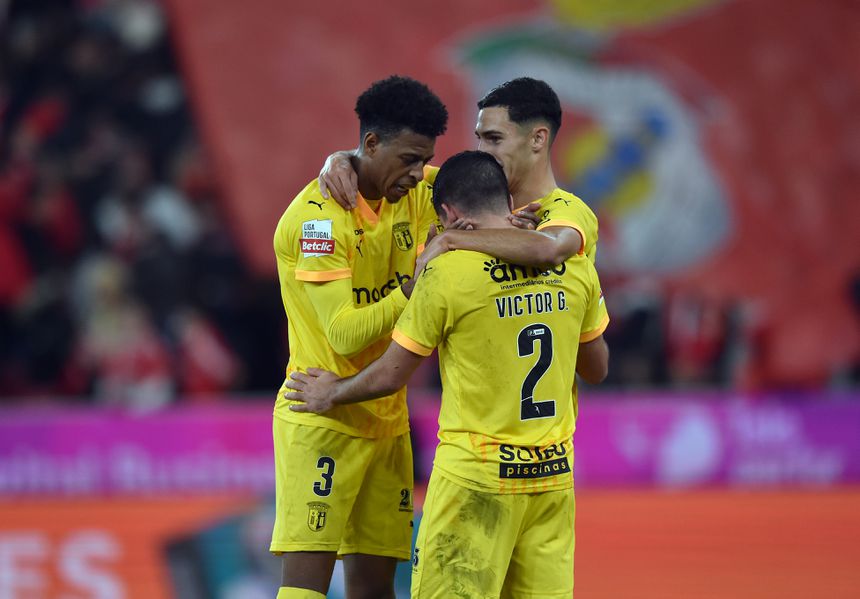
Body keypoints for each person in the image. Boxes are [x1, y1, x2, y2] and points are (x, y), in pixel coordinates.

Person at [285, 151, 610, 598]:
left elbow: (390, 374)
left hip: (473, 480)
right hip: (550, 479)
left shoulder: (448, 272)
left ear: (451, 215)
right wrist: (340, 158)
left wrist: (331, 392)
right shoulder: (573, 261)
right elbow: (597, 368)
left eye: (492, 135)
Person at [269, 75, 448, 599]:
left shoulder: (416, 191)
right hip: (322, 416)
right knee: (305, 590)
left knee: (374, 591)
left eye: (425, 160)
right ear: (371, 143)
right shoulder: (319, 219)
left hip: (387, 421)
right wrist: (416, 288)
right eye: (410, 159)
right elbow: (344, 334)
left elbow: (483, 187)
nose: (418, 174)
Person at [320, 77, 597, 270]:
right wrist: (342, 159)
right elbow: (385, 165)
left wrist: (450, 240)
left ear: (537, 139)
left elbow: (550, 249)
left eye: (494, 139)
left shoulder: (567, 211)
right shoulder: (464, 194)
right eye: (480, 138)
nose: (482, 151)